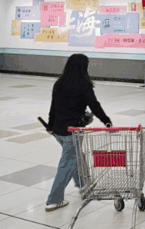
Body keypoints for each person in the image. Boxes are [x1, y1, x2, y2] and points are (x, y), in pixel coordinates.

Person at [45, 54, 112, 212]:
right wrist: (106, 120)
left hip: (58, 131)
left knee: (77, 157)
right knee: (67, 164)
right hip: (72, 132)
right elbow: (94, 105)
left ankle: (84, 184)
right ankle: (54, 200)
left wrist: (50, 125)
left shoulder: (59, 83)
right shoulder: (83, 85)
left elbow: (53, 106)